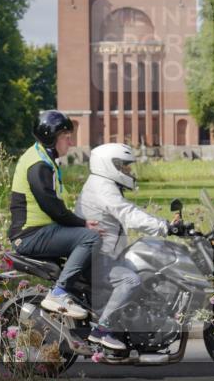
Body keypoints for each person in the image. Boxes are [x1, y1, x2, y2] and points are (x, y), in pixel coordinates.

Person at [75, 143, 176, 350]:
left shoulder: (104, 185)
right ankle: (102, 330)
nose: (128, 171)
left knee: (148, 273)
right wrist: (163, 226)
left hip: (105, 254)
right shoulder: (102, 187)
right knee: (130, 280)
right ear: (109, 165)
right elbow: (128, 214)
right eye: (124, 166)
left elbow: (128, 212)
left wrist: (163, 224)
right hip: (96, 257)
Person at [8, 110, 101, 318]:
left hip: (41, 232)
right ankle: (59, 293)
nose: (71, 143)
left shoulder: (43, 159)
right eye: (67, 138)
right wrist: (83, 224)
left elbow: (58, 207)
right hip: (30, 235)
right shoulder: (38, 165)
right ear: (51, 138)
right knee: (91, 238)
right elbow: (53, 208)